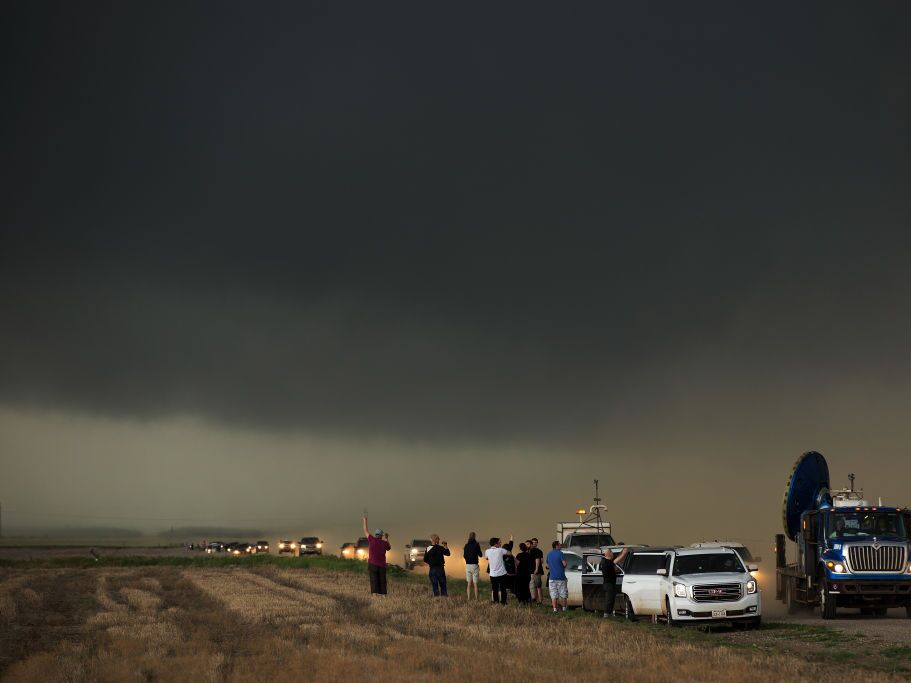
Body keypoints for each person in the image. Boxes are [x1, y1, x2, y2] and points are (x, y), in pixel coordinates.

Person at [362, 514, 391, 595]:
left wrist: (365, 520)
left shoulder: (371, 539)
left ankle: (374, 594)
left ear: (375, 534)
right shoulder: (384, 543)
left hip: (373, 564)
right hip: (382, 565)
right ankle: (384, 595)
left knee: (374, 579)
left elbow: (365, 530)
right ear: (381, 535)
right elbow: (389, 548)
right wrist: (387, 538)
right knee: (382, 580)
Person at [599, 547, 628, 618]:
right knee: (609, 600)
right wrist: (624, 553)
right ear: (608, 554)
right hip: (609, 584)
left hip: (609, 584)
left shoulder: (605, 561)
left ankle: (609, 614)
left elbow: (615, 561)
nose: (613, 554)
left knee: (611, 599)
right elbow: (617, 560)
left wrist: (622, 552)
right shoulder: (607, 562)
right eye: (611, 552)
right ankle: (606, 615)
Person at [485, 536, 514, 605]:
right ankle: (503, 602)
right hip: (502, 574)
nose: (500, 543)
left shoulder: (487, 551)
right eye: (499, 542)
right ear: (496, 543)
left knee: (495, 589)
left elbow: (486, 558)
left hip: (492, 574)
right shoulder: (501, 550)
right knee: (503, 589)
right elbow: (510, 553)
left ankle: (495, 602)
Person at [546, 540, 568, 612]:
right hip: (561, 577)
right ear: (556, 546)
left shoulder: (549, 554)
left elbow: (547, 566)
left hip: (552, 577)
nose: (560, 546)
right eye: (559, 545)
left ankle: (555, 609)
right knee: (563, 593)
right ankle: (564, 609)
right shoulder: (560, 553)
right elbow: (564, 564)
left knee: (553, 594)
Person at [463, 532, 483, 600]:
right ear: (475, 537)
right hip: (475, 565)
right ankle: (476, 599)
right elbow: (480, 555)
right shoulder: (476, 545)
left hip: (468, 565)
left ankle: (468, 598)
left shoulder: (466, 545)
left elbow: (464, 556)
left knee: (468, 584)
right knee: (475, 584)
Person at [528, 538, 544, 604]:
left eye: (535, 542)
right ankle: (535, 599)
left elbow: (542, 561)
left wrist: (536, 568)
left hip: (537, 571)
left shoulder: (538, 551)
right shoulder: (529, 551)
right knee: (533, 586)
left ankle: (540, 601)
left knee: (538, 586)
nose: (534, 543)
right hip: (531, 571)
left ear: (537, 543)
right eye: (533, 542)